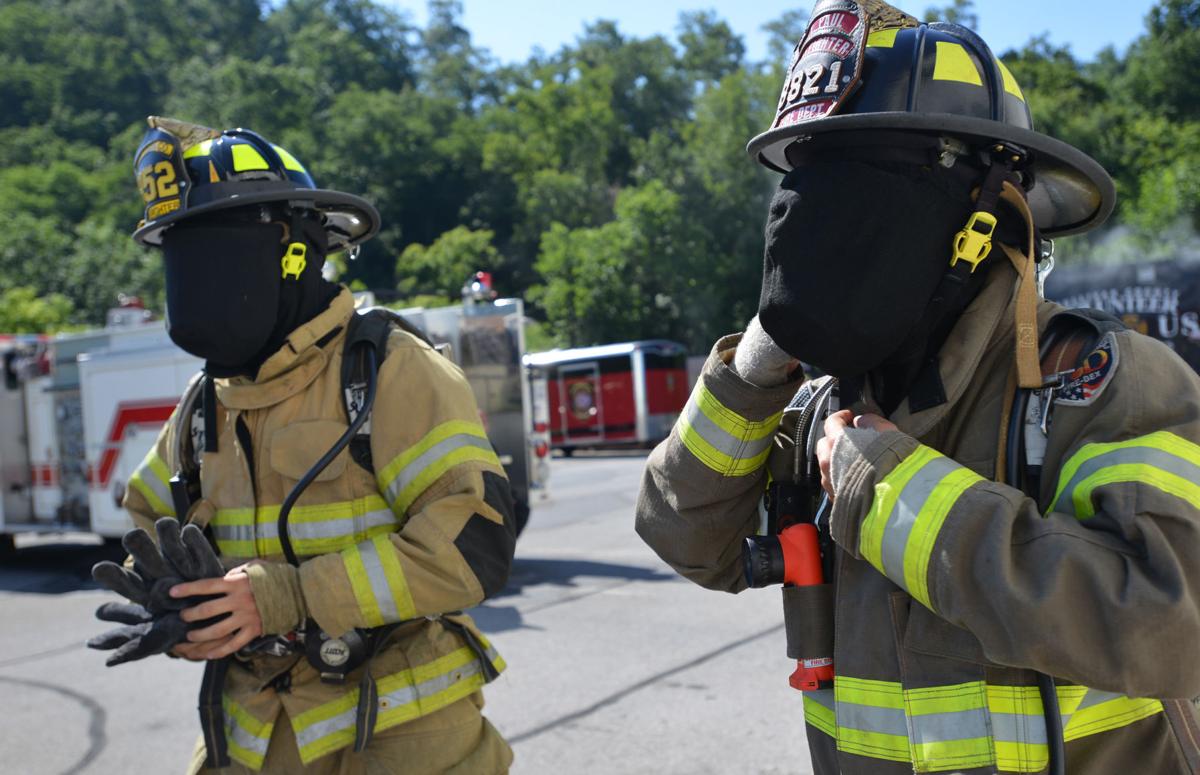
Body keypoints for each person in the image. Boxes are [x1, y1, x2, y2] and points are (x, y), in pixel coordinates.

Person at [636, 2, 1200, 773]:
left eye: (862, 175)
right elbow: (685, 539)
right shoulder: (813, 405)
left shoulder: (1098, 385)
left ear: (987, 205)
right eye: (809, 176)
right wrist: (756, 368)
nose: (815, 221)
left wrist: (893, 491)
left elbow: (1174, 629)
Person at [90, 116, 516, 774]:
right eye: (181, 257)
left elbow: (475, 543)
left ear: (291, 248)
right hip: (250, 736)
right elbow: (149, 522)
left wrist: (287, 594)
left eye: (211, 252)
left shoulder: (390, 372)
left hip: (399, 732)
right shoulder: (205, 403)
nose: (196, 290)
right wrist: (181, 606)